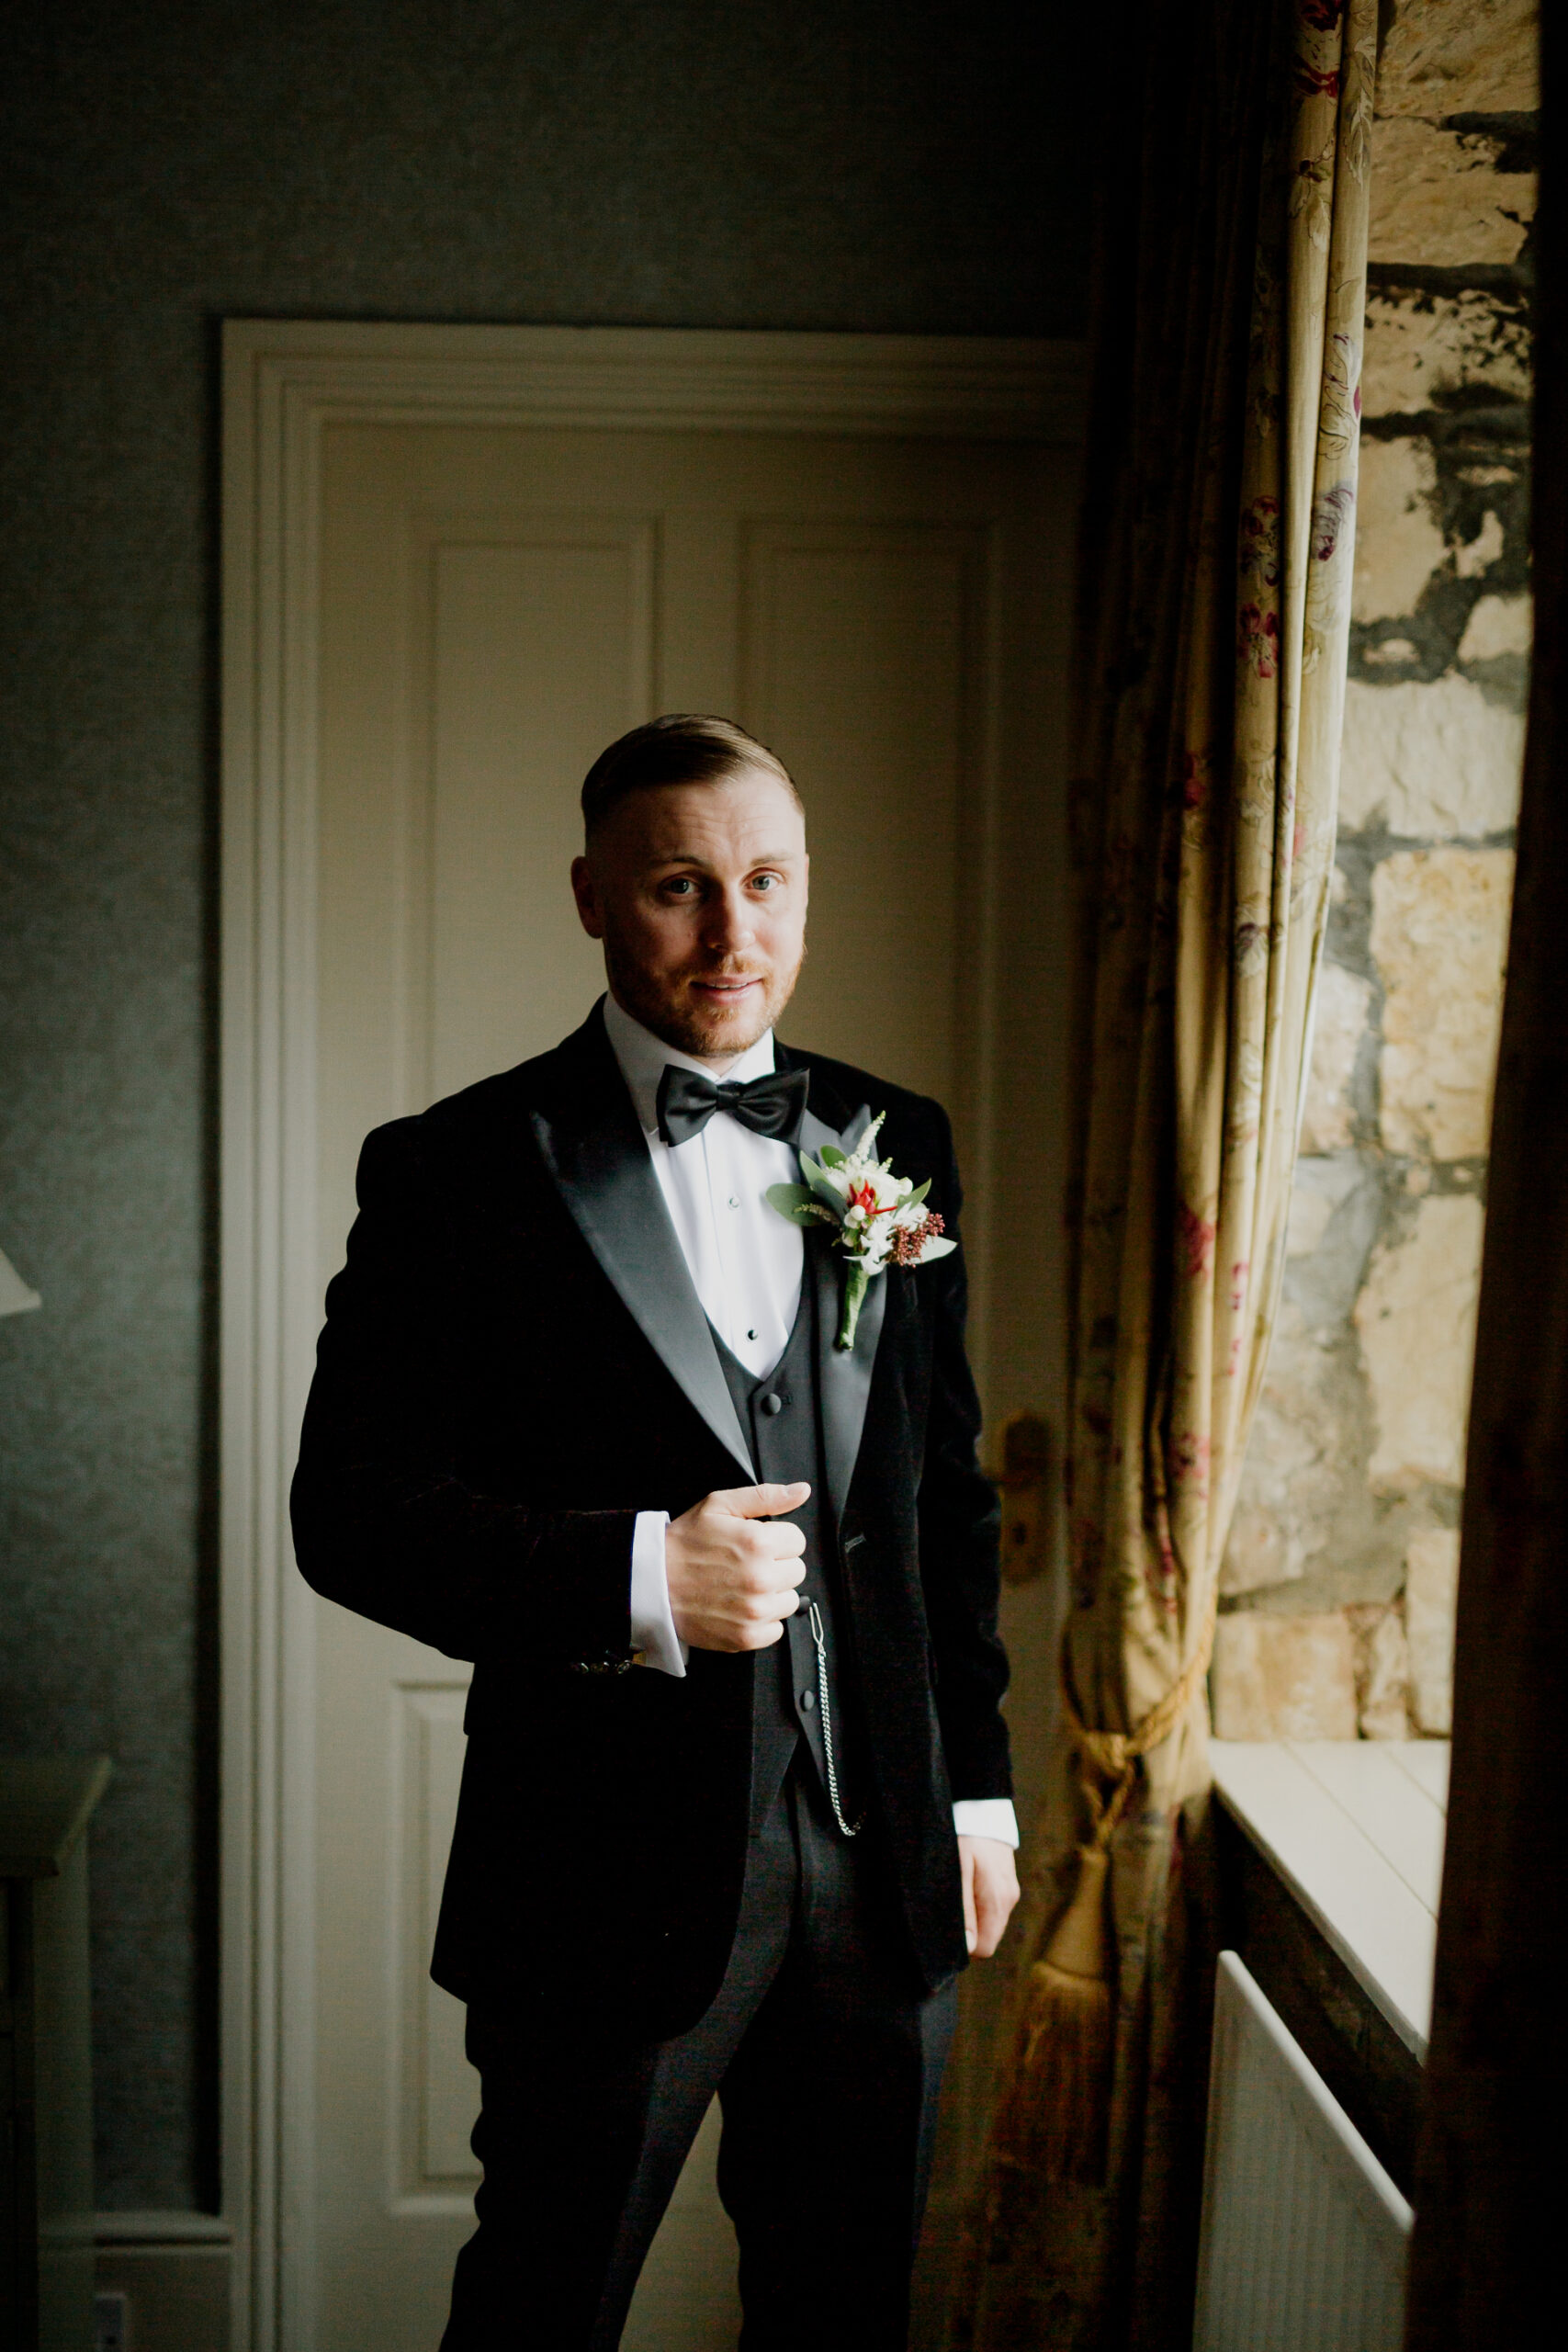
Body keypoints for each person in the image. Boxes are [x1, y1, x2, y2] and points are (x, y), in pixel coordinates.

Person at [291, 714, 1020, 2349]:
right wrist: (638, 1574)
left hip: (885, 1856)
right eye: (683, 887)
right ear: (593, 898)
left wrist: (976, 1790)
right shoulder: (456, 1171)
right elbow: (346, 1516)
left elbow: (946, 1506)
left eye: (766, 882)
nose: (734, 932)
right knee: (545, 2301)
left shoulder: (889, 1141)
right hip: (595, 1873)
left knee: (845, 2313)